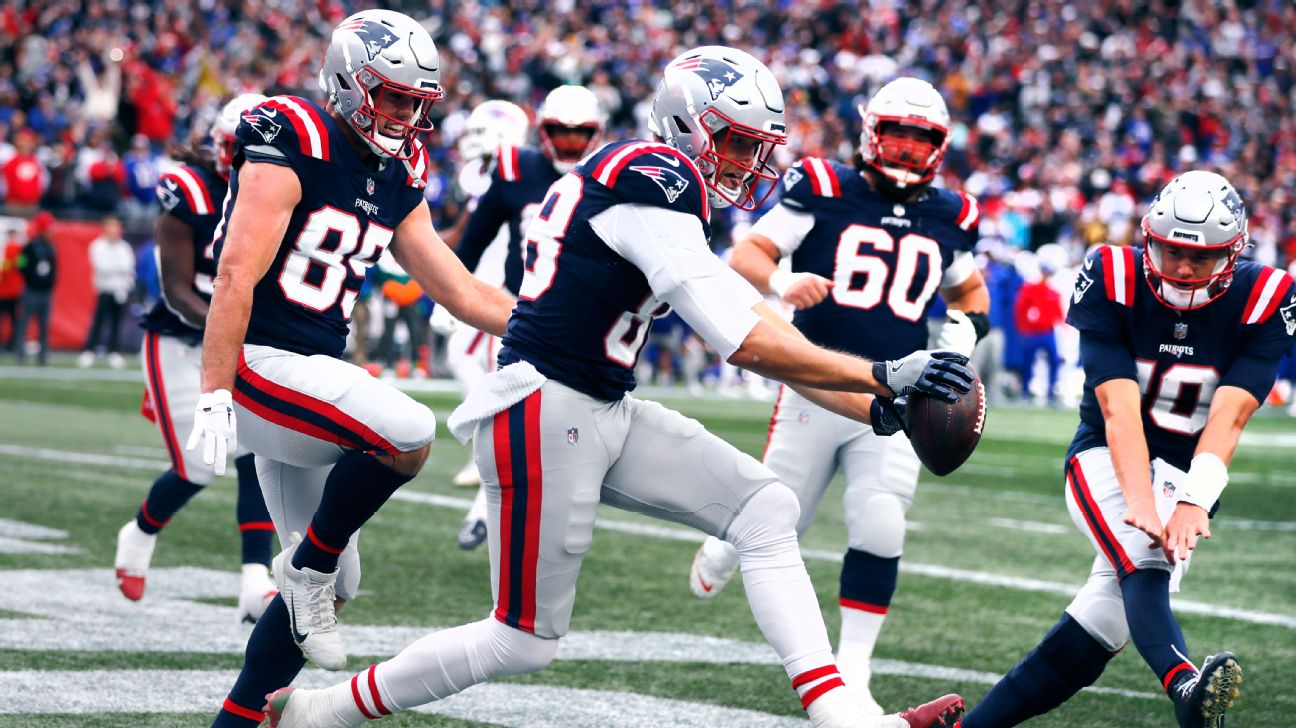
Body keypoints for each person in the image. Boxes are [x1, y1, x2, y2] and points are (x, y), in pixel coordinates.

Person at [264, 46, 968, 728]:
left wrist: (881, 408)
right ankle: (321, 711)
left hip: (597, 402)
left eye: (758, 147)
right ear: (690, 125)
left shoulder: (658, 182)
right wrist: (877, 372)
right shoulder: (654, 175)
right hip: (542, 407)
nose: (747, 164)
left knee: (766, 509)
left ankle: (842, 713)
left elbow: (755, 316)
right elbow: (747, 343)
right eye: (736, 143)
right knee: (522, 640)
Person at [189, 11, 516, 727]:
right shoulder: (294, 134)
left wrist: (555, 331)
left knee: (339, 587)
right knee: (405, 430)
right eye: (392, 96)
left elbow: (457, 290)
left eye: (415, 100)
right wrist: (214, 392)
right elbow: (237, 273)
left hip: (308, 380)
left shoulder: (399, 170)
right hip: (261, 365)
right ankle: (305, 569)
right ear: (347, 83)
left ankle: (237, 719)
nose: (405, 113)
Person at [686, 76, 990, 714]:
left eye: (921, 139)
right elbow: (748, 254)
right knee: (780, 511)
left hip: (901, 393)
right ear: (870, 133)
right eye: (897, 135)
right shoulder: (823, 185)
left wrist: (966, 332)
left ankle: (854, 667)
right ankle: (723, 544)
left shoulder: (952, 213)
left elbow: (970, 295)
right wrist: (783, 279)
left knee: (881, 520)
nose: (907, 150)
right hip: (816, 383)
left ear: (938, 146)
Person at [961, 170, 1288, 727]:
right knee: (1146, 558)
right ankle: (1185, 688)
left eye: (1201, 258)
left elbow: (1230, 417)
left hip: (1186, 471)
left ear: (1233, 254)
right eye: (1170, 250)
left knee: (1099, 627)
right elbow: (1117, 409)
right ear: (1148, 238)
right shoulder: (1111, 274)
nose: (1183, 268)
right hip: (1104, 456)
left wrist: (1193, 498)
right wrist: (1138, 495)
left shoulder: (1265, 295)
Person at [113, 93, 280, 624]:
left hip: (240, 340)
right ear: (223, 149)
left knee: (258, 450)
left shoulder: (282, 195)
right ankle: (138, 534)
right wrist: (231, 326)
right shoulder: (189, 193)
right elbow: (176, 292)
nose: (254, 166)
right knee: (201, 465)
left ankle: (256, 580)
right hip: (179, 339)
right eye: (245, 154)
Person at [444, 86, 605, 550]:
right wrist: (450, 294)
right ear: (543, 132)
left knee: (569, 428)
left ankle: (537, 519)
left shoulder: (614, 174)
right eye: (561, 132)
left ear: (596, 134)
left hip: (589, 316)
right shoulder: (517, 169)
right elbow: (473, 241)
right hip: (526, 311)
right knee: (516, 415)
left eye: (581, 134)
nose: (571, 143)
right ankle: (486, 508)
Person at [79, 216, 136, 368]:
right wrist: (118, 270)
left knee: (116, 323)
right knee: (99, 321)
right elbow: (101, 267)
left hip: (120, 291)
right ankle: (89, 350)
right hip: (104, 289)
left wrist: (119, 273)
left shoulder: (124, 247)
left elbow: (128, 266)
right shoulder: (98, 246)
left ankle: (113, 352)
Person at [15, 211, 56, 366]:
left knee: (44, 325)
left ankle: (43, 355)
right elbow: (21, 264)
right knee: (24, 323)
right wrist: (31, 278)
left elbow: (54, 268)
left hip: (46, 292)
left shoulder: (51, 247)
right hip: (31, 290)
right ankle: (20, 354)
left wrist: (50, 282)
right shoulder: (30, 247)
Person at [0, 230, 23, 355]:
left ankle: (12, 343)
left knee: (13, 320)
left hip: (10, 290)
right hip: (7, 290)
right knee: (12, 320)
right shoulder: (10, 249)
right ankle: (10, 344)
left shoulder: (15, 249)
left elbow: (18, 266)